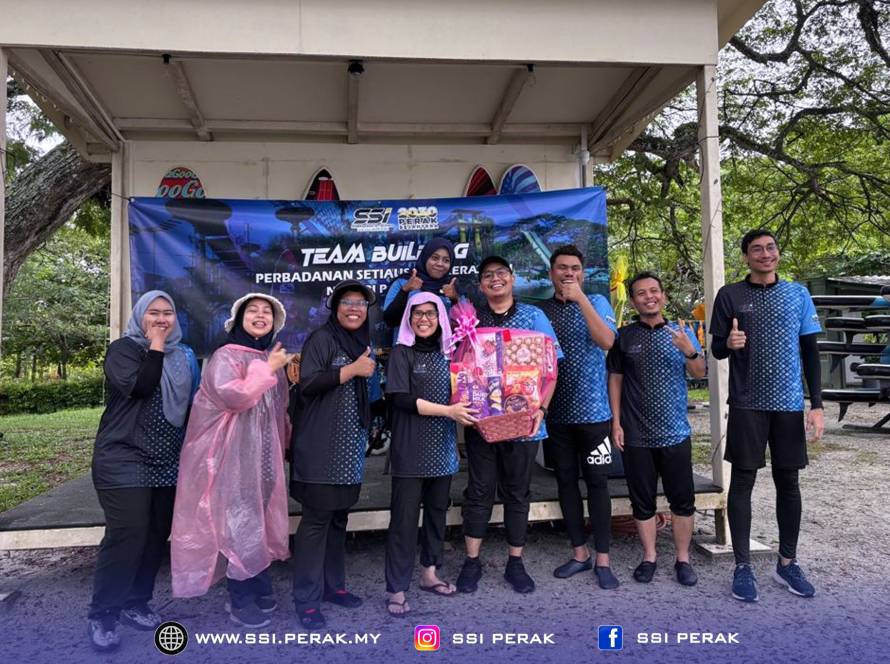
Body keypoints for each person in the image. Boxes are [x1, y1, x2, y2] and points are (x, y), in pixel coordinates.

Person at [710, 229, 824, 602]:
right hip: (747, 402)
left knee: (788, 482)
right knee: (742, 482)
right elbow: (717, 348)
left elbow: (810, 352)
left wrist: (817, 405)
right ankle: (742, 567)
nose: (765, 253)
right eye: (756, 249)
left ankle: (787, 563)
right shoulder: (730, 295)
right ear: (746, 256)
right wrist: (729, 342)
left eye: (770, 247)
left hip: (789, 403)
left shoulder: (798, 294)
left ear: (777, 253)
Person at [170, 293, 292, 629]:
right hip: (231, 456)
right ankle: (240, 598)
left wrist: (283, 443)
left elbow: (279, 408)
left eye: (267, 312)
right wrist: (268, 369)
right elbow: (232, 396)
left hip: (263, 457)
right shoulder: (225, 355)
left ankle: (258, 582)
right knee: (240, 522)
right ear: (239, 318)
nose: (260, 315)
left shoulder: (267, 356)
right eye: (253, 310)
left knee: (258, 519)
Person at [88, 291, 199, 652]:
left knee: (155, 534)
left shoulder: (184, 356)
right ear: (140, 316)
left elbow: (193, 404)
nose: (162, 319)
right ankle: (104, 613)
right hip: (123, 458)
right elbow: (140, 387)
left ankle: (136, 602)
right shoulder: (123, 350)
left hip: (168, 460)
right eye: (153, 313)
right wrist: (156, 346)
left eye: (168, 313)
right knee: (128, 534)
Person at [456, 255, 562, 595]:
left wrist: (541, 409)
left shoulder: (534, 316)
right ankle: (471, 561)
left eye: (501, 272)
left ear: (512, 278)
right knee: (479, 490)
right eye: (488, 275)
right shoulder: (470, 319)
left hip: (524, 423)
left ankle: (515, 562)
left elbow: (552, 368)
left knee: (517, 492)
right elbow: (458, 366)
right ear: (481, 284)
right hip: (483, 423)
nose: (495, 279)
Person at [607, 272, 706, 587]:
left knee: (682, 500)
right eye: (641, 293)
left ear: (662, 296)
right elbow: (616, 380)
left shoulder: (683, 332)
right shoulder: (624, 336)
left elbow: (699, 372)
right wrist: (616, 422)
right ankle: (649, 556)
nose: (648, 297)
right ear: (633, 301)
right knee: (642, 500)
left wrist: (689, 350)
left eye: (654, 291)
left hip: (675, 432)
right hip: (636, 433)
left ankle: (683, 559)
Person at [383, 292, 478, 616]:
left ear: (440, 319)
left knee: (437, 515)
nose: (424, 319)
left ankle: (429, 573)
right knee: (404, 521)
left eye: (431, 313)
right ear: (409, 319)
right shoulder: (401, 352)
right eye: (418, 313)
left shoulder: (450, 354)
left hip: (443, 449)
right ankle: (396, 588)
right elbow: (400, 398)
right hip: (410, 450)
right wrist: (449, 411)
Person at [290, 280, 377, 629]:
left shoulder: (363, 343)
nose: (354, 308)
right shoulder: (322, 338)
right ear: (335, 307)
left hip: (349, 449)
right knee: (316, 523)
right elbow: (308, 383)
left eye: (361, 303)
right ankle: (306, 601)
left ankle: (333, 587)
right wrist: (351, 370)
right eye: (347, 302)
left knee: (339, 519)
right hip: (320, 448)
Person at [538, 245, 620, 589]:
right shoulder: (541, 311)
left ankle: (603, 559)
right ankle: (579, 553)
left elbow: (608, 342)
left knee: (598, 484)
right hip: (557, 416)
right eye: (562, 268)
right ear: (551, 273)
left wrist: (580, 299)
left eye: (574, 268)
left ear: (582, 274)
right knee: (566, 483)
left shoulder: (598, 302)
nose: (568, 273)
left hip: (595, 415)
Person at [382, 237, 460, 334]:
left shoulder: (451, 287)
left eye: (446, 260)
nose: (440, 263)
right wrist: (404, 291)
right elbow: (389, 321)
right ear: (425, 257)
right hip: (406, 343)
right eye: (435, 258)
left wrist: (455, 299)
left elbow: (463, 325)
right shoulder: (403, 282)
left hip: (442, 343)